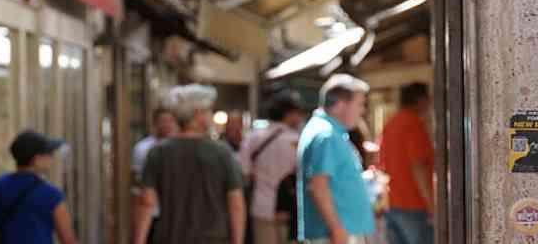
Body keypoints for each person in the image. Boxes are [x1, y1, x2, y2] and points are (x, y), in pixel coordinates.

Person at [135, 84, 247, 244]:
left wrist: (138, 240)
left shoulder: (158, 152)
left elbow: (146, 202)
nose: (211, 115)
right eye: (208, 110)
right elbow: (236, 202)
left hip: (169, 236)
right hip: (213, 238)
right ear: (198, 114)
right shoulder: (222, 152)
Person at [298, 74, 375, 244]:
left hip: (340, 232)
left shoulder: (329, 131)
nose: (362, 111)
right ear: (340, 104)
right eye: (359, 104)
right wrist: (337, 229)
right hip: (335, 235)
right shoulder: (326, 135)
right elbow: (318, 186)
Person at [0, 130, 79, 244]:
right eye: (48, 154)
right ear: (36, 159)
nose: (51, 158)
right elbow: (68, 240)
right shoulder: (51, 195)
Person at [239, 91, 306, 244]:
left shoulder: (253, 137)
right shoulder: (298, 140)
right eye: (297, 113)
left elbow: (244, 171)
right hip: (290, 211)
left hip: (261, 206)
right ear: (288, 113)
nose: (299, 117)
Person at [379, 83, 434, 244]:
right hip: (413, 204)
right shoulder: (413, 124)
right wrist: (431, 204)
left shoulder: (390, 124)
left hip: (392, 203)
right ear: (420, 100)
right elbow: (417, 165)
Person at [133, 107, 178, 182]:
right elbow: (138, 175)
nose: (167, 125)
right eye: (163, 121)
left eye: (170, 121)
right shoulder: (142, 147)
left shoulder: (179, 146)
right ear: (155, 123)